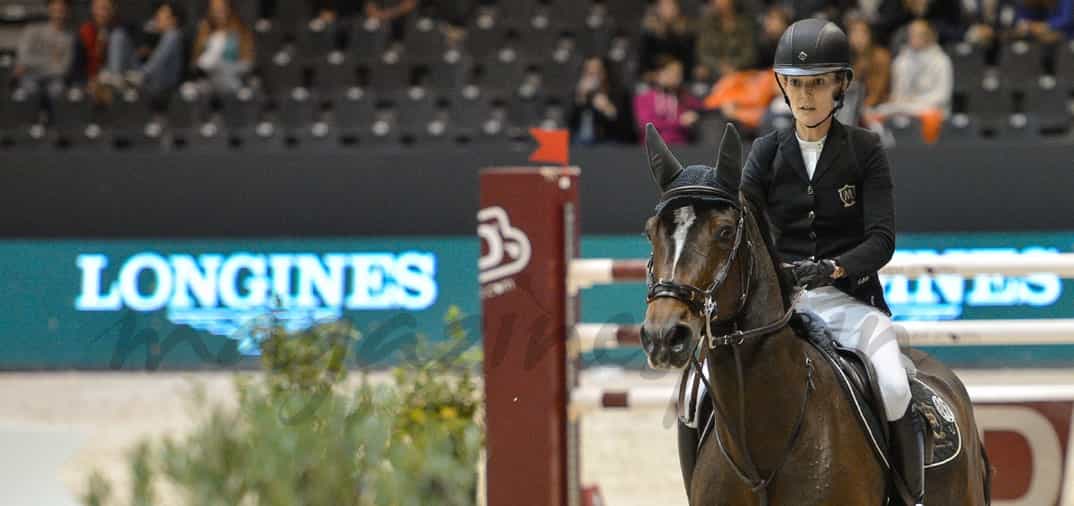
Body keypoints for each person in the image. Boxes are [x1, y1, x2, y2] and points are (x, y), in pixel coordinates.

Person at [676, 18, 924, 506]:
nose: (805, 96)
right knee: (692, 397)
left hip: (850, 302)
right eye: (795, 83)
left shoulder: (865, 150)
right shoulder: (766, 152)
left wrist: (833, 268)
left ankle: (908, 496)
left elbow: (882, 239)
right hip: (779, 308)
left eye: (816, 84)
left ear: (840, 85)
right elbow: (740, 222)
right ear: (782, 86)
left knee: (894, 385)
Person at [865, 19, 953, 142]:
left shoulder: (942, 61)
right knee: (872, 116)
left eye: (919, 34)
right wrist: (899, 101)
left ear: (929, 35)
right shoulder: (901, 61)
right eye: (912, 34)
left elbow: (943, 95)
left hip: (931, 108)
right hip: (904, 106)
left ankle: (927, 153)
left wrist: (916, 101)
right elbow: (898, 93)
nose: (914, 37)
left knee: (931, 119)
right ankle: (884, 150)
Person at [633, 56, 702, 145]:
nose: (677, 77)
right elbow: (646, 125)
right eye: (672, 72)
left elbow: (702, 109)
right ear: (658, 74)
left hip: (682, 148)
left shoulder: (686, 97)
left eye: (679, 73)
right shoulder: (644, 98)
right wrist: (679, 122)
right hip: (654, 150)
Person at [192, 0, 255, 94]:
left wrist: (222, 65)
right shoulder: (205, 29)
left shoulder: (240, 29)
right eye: (214, 8)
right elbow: (197, 60)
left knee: (220, 69)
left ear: (229, 8)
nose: (218, 11)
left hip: (234, 71)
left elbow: (247, 61)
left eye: (221, 8)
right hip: (211, 75)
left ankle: (237, 88)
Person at [569, 57, 635, 144]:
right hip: (580, 144)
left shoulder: (618, 93)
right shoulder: (578, 93)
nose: (591, 76)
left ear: (605, 72)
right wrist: (580, 99)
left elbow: (628, 130)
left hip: (610, 143)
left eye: (596, 71)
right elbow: (569, 124)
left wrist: (608, 108)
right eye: (588, 72)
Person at [13, 0, 74, 95]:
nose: (59, 14)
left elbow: (63, 69)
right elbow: (23, 59)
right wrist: (52, 60)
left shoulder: (70, 38)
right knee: (28, 89)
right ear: (49, 9)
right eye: (55, 9)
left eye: (62, 10)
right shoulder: (32, 30)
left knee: (57, 89)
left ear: (68, 11)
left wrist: (31, 63)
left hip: (55, 81)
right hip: (30, 77)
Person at [128, 2, 186, 99]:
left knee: (171, 35)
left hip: (166, 83)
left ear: (174, 20)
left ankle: (134, 80)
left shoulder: (174, 34)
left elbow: (159, 60)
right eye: (159, 12)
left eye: (163, 13)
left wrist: (140, 75)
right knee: (121, 37)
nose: (158, 15)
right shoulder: (157, 35)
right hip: (150, 80)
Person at [695, 0, 755, 81]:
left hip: (740, 71)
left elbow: (750, 54)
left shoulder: (745, 23)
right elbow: (702, 52)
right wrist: (719, 66)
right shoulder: (708, 23)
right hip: (712, 71)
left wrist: (733, 65)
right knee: (700, 72)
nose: (720, 3)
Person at [638, 0, 696, 81]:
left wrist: (676, 73)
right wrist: (656, 75)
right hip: (653, 79)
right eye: (665, 6)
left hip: (679, 79)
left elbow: (689, 62)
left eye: (672, 6)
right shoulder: (648, 35)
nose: (669, 9)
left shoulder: (685, 35)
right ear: (657, 8)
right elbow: (642, 64)